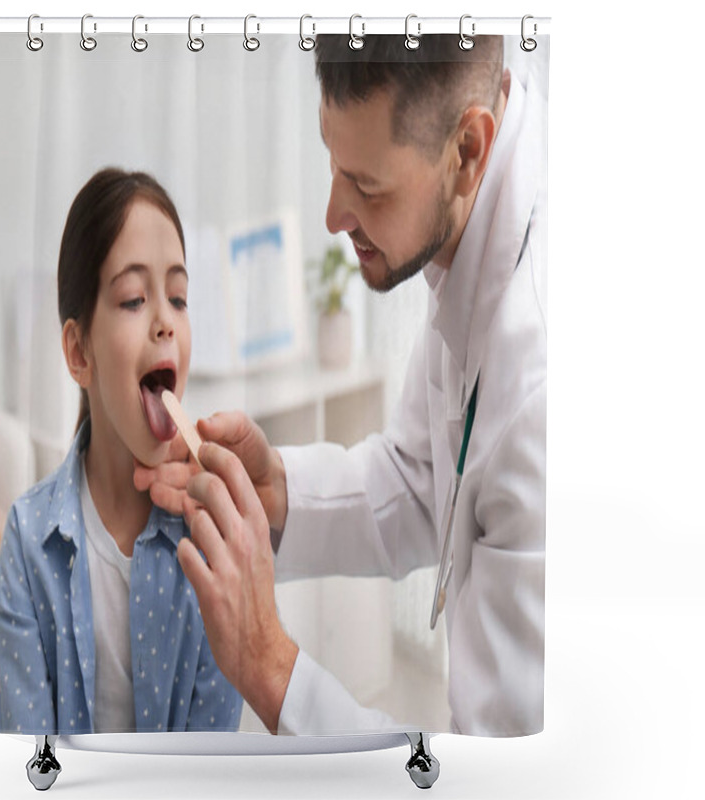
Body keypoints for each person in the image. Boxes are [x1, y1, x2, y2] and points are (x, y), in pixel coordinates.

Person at [136, 33, 546, 737]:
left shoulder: (544, 384)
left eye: (367, 186)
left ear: (467, 151)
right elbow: (421, 480)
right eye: (333, 164)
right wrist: (279, 493)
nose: (332, 216)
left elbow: (496, 776)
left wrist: (269, 666)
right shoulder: (470, 220)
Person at [0, 168, 242, 735]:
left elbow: (211, 764)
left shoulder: (209, 538)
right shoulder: (30, 541)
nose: (166, 324)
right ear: (79, 352)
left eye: (178, 297)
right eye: (134, 298)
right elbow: (23, 762)